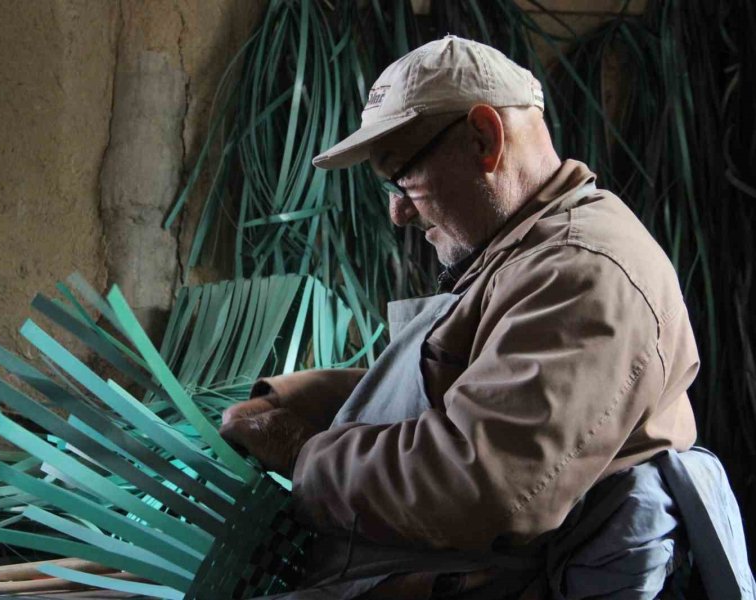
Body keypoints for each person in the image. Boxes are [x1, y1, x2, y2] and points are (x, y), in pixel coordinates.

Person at [219, 36, 749, 599]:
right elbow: (468, 390)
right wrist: (291, 397)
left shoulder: (582, 274)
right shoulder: (520, 253)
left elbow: (477, 483)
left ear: (483, 139)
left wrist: (302, 452)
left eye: (402, 179)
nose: (398, 212)